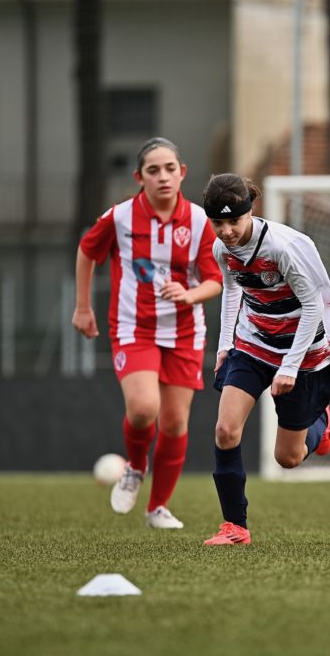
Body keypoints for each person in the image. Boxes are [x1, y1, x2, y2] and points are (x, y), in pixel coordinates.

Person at [73, 137, 223, 529]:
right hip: (132, 327)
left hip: (184, 331)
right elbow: (88, 251)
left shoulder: (198, 221)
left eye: (170, 169)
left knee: (174, 423)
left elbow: (214, 280)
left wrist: (190, 295)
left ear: (182, 173)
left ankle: (157, 507)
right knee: (143, 410)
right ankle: (136, 467)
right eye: (153, 171)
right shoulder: (120, 217)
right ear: (139, 178)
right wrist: (83, 307)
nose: (163, 177)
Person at [201, 173, 330, 546]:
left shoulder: (281, 247)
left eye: (234, 221)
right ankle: (235, 527)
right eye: (218, 223)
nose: (227, 231)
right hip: (253, 344)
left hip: (302, 349)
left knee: (287, 459)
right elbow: (232, 289)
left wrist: (291, 366)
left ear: (251, 212)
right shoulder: (221, 249)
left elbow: (313, 305)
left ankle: (319, 426)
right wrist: (225, 344)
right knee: (226, 430)